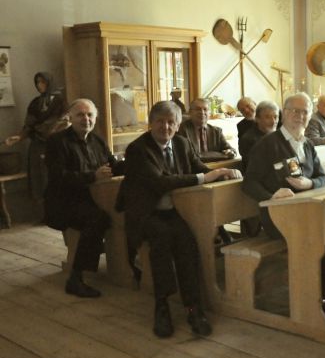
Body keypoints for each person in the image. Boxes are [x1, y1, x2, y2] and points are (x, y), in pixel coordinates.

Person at [116, 100, 241, 338]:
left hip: (175, 211)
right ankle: (162, 306)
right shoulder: (138, 149)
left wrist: (222, 173)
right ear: (150, 123)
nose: (165, 127)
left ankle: (193, 308)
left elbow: (199, 168)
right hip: (146, 212)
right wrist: (204, 178)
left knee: (187, 243)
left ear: (177, 125)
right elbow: (159, 182)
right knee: (162, 239)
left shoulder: (182, 142)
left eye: (171, 122)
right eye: (160, 121)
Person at [242, 92, 325, 312]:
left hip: (308, 212)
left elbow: (323, 178)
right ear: (284, 113)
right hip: (279, 216)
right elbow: (249, 183)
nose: (300, 116)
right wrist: (272, 196)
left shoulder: (308, 145)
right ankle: (311, 296)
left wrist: (309, 184)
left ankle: (321, 286)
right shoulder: (267, 144)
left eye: (305, 112)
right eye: (295, 111)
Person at [44, 98, 124, 298]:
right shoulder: (57, 142)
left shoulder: (98, 141)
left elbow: (113, 166)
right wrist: (92, 176)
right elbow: (58, 178)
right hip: (63, 202)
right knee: (98, 218)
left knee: (125, 211)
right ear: (70, 117)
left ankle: (125, 265)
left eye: (90, 115)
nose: (85, 119)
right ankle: (75, 279)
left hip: (94, 199)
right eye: (80, 115)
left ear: (95, 118)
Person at [4, 72, 69, 202]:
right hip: (37, 146)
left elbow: (64, 122)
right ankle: (41, 208)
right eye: (37, 82)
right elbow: (29, 125)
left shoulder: (61, 102)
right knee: (39, 178)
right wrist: (19, 137)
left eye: (42, 82)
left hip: (55, 144)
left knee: (54, 176)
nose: (39, 85)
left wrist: (50, 130)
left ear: (49, 82)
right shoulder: (35, 103)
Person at [238, 100, 279, 172]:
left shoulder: (280, 135)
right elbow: (257, 167)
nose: (273, 121)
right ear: (257, 119)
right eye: (267, 117)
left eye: (275, 117)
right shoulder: (247, 140)